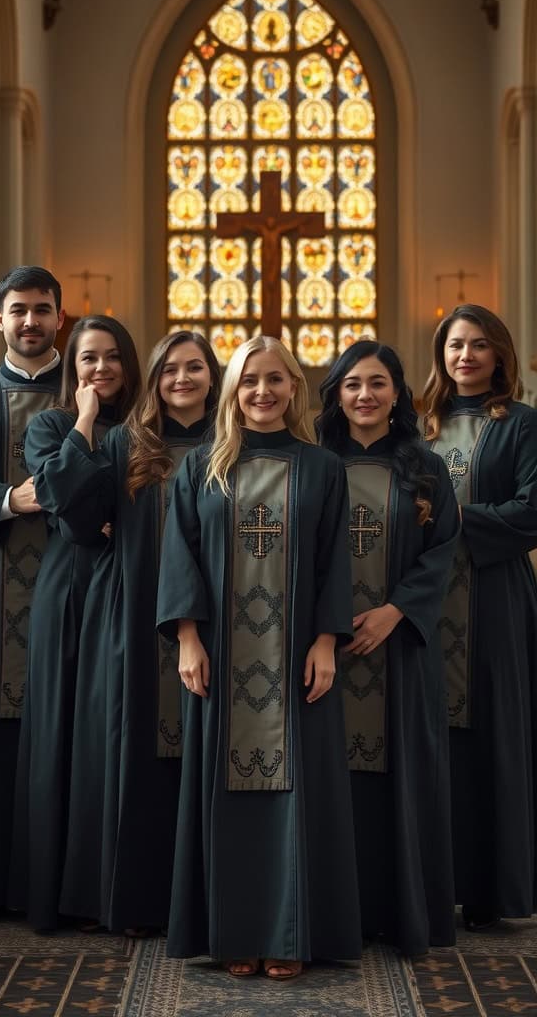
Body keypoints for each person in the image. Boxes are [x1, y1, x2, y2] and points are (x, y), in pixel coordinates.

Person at [157, 335, 362, 978]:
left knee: (301, 795)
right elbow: (179, 551)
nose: (263, 392)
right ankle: (233, 932)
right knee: (227, 795)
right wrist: (187, 637)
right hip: (220, 655)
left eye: (275, 380)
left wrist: (328, 641)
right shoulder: (202, 468)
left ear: (294, 388)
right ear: (232, 391)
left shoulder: (323, 467)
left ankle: (289, 933)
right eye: (249, 381)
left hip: (299, 656)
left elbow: (336, 561)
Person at [47, 330, 221, 933]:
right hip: (132, 613)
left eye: (194, 367)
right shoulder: (125, 443)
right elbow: (71, 515)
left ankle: (205, 899)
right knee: (133, 751)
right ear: (153, 378)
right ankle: (138, 901)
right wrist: (86, 419)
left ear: (212, 375)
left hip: (218, 623)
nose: (181, 379)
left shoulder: (234, 444)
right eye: (169, 368)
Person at [317, 341, 460, 957]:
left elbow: (443, 551)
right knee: (330, 778)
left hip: (400, 650)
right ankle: (330, 913)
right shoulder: (312, 465)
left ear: (398, 393)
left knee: (403, 774)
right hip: (324, 649)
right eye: (351, 384)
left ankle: (399, 914)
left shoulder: (426, 468)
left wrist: (395, 610)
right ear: (335, 395)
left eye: (377, 383)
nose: (365, 396)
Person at [9, 315, 142, 932]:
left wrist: (101, 513)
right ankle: (62, 894)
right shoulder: (53, 424)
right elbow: (62, 500)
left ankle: (118, 886)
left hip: (129, 584)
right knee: (66, 731)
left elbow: (121, 509)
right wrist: (85, 423)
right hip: (69, 591)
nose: (101, 369)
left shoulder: (148, 427)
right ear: (72, 366)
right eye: (89, 358)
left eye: (113, 357)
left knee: (113, 730)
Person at [422, 303, 537, 930]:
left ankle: (494, 888)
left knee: (493, 735)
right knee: (430, 738)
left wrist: (458, 521)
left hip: (493, 601)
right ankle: (435, 882)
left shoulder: (521, 425)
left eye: (478, 346)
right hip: (428, 601)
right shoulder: (420, 425)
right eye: (454, 345)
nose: (465, 356)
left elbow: (532, 509)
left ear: (499, 355)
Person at [0, 265, 64, 927]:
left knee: (63, 739)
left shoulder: (93, 391)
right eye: (18, 310)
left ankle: (56, 890)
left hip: (70, 592)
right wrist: (4, 498)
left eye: (43, 310)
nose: (30, 321)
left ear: (61, 317)